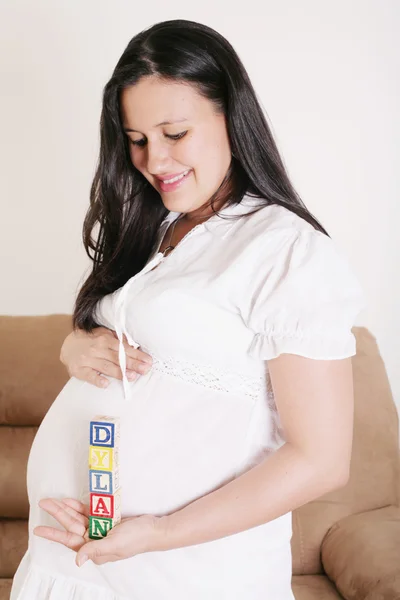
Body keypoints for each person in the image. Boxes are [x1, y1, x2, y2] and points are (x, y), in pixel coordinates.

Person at [11, 18, 366, 600]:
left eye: (175, 132)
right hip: (72, 555)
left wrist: (157, 532)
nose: (155, 160)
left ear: (232, 116)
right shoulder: (156, 226)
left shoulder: (286, 250)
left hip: (182, 572)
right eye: (137, 139)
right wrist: (75, 343)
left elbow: (321, 460)